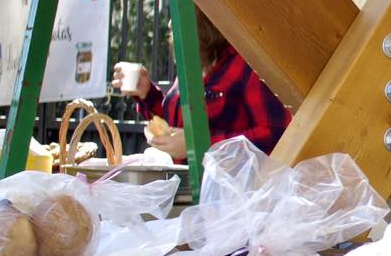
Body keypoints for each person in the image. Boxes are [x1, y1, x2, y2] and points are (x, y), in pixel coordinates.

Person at [112, 8, 291, 159]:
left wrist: (201, 145)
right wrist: (147, 94)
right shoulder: (195, 64)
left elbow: (276, 136)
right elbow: (180, 127)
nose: (170, 25)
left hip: (232, 194)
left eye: (179, 13)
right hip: (184, 188)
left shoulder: (247, 65)